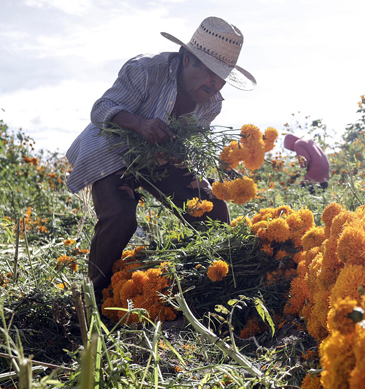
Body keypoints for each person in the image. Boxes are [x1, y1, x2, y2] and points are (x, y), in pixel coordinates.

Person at [65, 17, 257, 299]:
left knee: (211, 207)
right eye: (210, 71)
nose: (215, 83)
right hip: (114, 148)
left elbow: (187, 146)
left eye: (222, 76)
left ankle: (215, 282)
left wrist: (192, 159)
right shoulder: (146, 69)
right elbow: (101, 108)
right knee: (120, 214)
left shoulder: (211, 102)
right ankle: (92, 297)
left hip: (160, 159)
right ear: (188, 59)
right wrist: (140, 124)